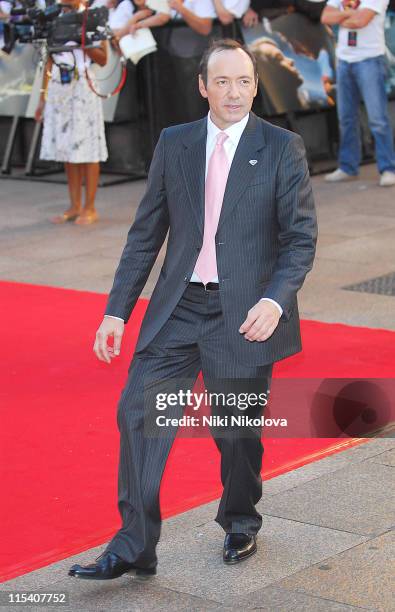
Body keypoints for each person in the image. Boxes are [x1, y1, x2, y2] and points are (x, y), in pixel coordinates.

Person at [68, 38, 317, 580]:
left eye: (245, 81)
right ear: (203, 87)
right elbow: (146, 234)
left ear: (256, 85)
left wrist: (275, 300)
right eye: (223, 81)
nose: (236, 91)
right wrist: (117, 311)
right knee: (138, 411)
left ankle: (239, 520)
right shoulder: (175, 143)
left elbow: (300, 239)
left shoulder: (281, 147)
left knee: (236, 429)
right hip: (178, 306)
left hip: (246, 312)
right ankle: (135, 544)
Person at [35, 0, 108, 224]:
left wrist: (82, 39)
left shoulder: (93, 17)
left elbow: (103, 59)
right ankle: (74, 205)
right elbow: (48, 62)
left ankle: (90, 206)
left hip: (84, 86)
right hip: (59, 85)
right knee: (67, 147)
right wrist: (42, 98)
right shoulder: (52, 17)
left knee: (89, 147)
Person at [322, 0, 395, 186]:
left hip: (370, 59)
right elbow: (325, 17)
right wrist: (350, 15)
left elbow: (360, 21)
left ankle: (388, 168)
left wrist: (341, 17)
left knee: (378, 119)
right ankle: (348, 167)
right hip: (345, 61)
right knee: (346, 118)